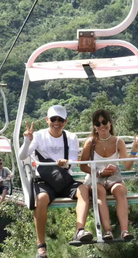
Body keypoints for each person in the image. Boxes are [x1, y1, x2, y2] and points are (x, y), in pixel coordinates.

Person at [18, 105, 92, 258]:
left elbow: (72, 161)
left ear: (65, 121)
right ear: (47, 120)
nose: (56, 122)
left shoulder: (71, 137)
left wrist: (66, 163)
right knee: (41, 199)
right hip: (45, 181)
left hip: (64, 179)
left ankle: (79, 230)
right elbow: (22, 156)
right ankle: (41, 246)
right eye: (53, 119)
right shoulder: (38, 136)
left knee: (83, 190)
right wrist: (27, 140)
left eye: (60, 120)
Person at [80, 109, 138, 241]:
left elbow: (127, 165)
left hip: (114, 176)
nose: (102, 126)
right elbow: (83, 165)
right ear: (95, 127)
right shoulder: (90, 143)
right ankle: (108, 231)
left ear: (110, 123)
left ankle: (125, 230)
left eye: (104, 122)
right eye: (98, 123)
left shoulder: (119, 142)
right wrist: (99, 172)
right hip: (96, 176)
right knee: (99, 191)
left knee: (120, 190)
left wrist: (134, 151)